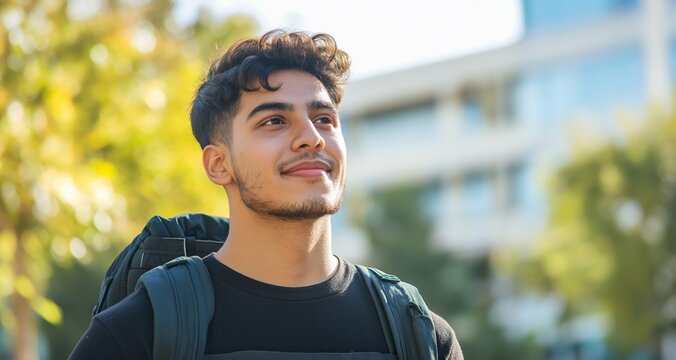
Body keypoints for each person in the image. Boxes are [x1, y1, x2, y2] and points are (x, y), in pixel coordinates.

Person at [70, 29, 463, 359]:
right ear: (218, 164)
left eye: (324, 119)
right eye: (275, 121)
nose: (311, 138)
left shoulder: (417, 334)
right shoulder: (140, 331)